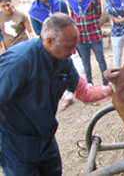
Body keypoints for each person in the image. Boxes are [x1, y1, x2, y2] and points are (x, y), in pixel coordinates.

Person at [0, 13, 113, 176]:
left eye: (76, 46)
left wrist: (115, 89)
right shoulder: (18, 62)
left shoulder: (63, 61)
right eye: (69, 47)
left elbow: (85, 93)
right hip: (17, 147)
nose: (74, 52)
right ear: (50, 41)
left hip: (45, 139)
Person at [67, 0, 109, 85]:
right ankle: (89, 84)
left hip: (94, 35)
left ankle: (105, 81)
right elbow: (72, 17)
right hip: (80, 38)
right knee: (85, 62)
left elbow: (99, 14)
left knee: (101, 60)